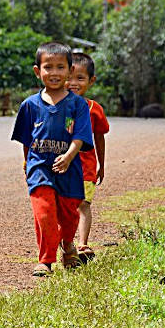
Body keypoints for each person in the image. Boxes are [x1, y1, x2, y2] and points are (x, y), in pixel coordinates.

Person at [12, 42, 93, 277]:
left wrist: (68, 157)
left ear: (69, 71)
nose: (54, 73)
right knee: (45, 212)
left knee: (69, 216)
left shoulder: (78, 105)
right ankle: (45, 260)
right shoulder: (29, 105)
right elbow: (26, 140)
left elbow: (80, 136)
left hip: (70, 170)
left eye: (60, 67)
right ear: (38, 71)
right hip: (39, 168)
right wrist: (28, 164)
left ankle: (68, 245)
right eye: (49, 67)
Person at [67, 52, 109, 263]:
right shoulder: (54, 106)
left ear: (91, 81)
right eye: (70, 77)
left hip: (86, 166)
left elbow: (99, 138)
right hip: (61, 167)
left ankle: (83, 244)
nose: (73, 83)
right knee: (64, 207)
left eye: (80, 78)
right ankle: (66, 244)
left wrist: (102, 164)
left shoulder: (95, 110)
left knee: (83, 205)